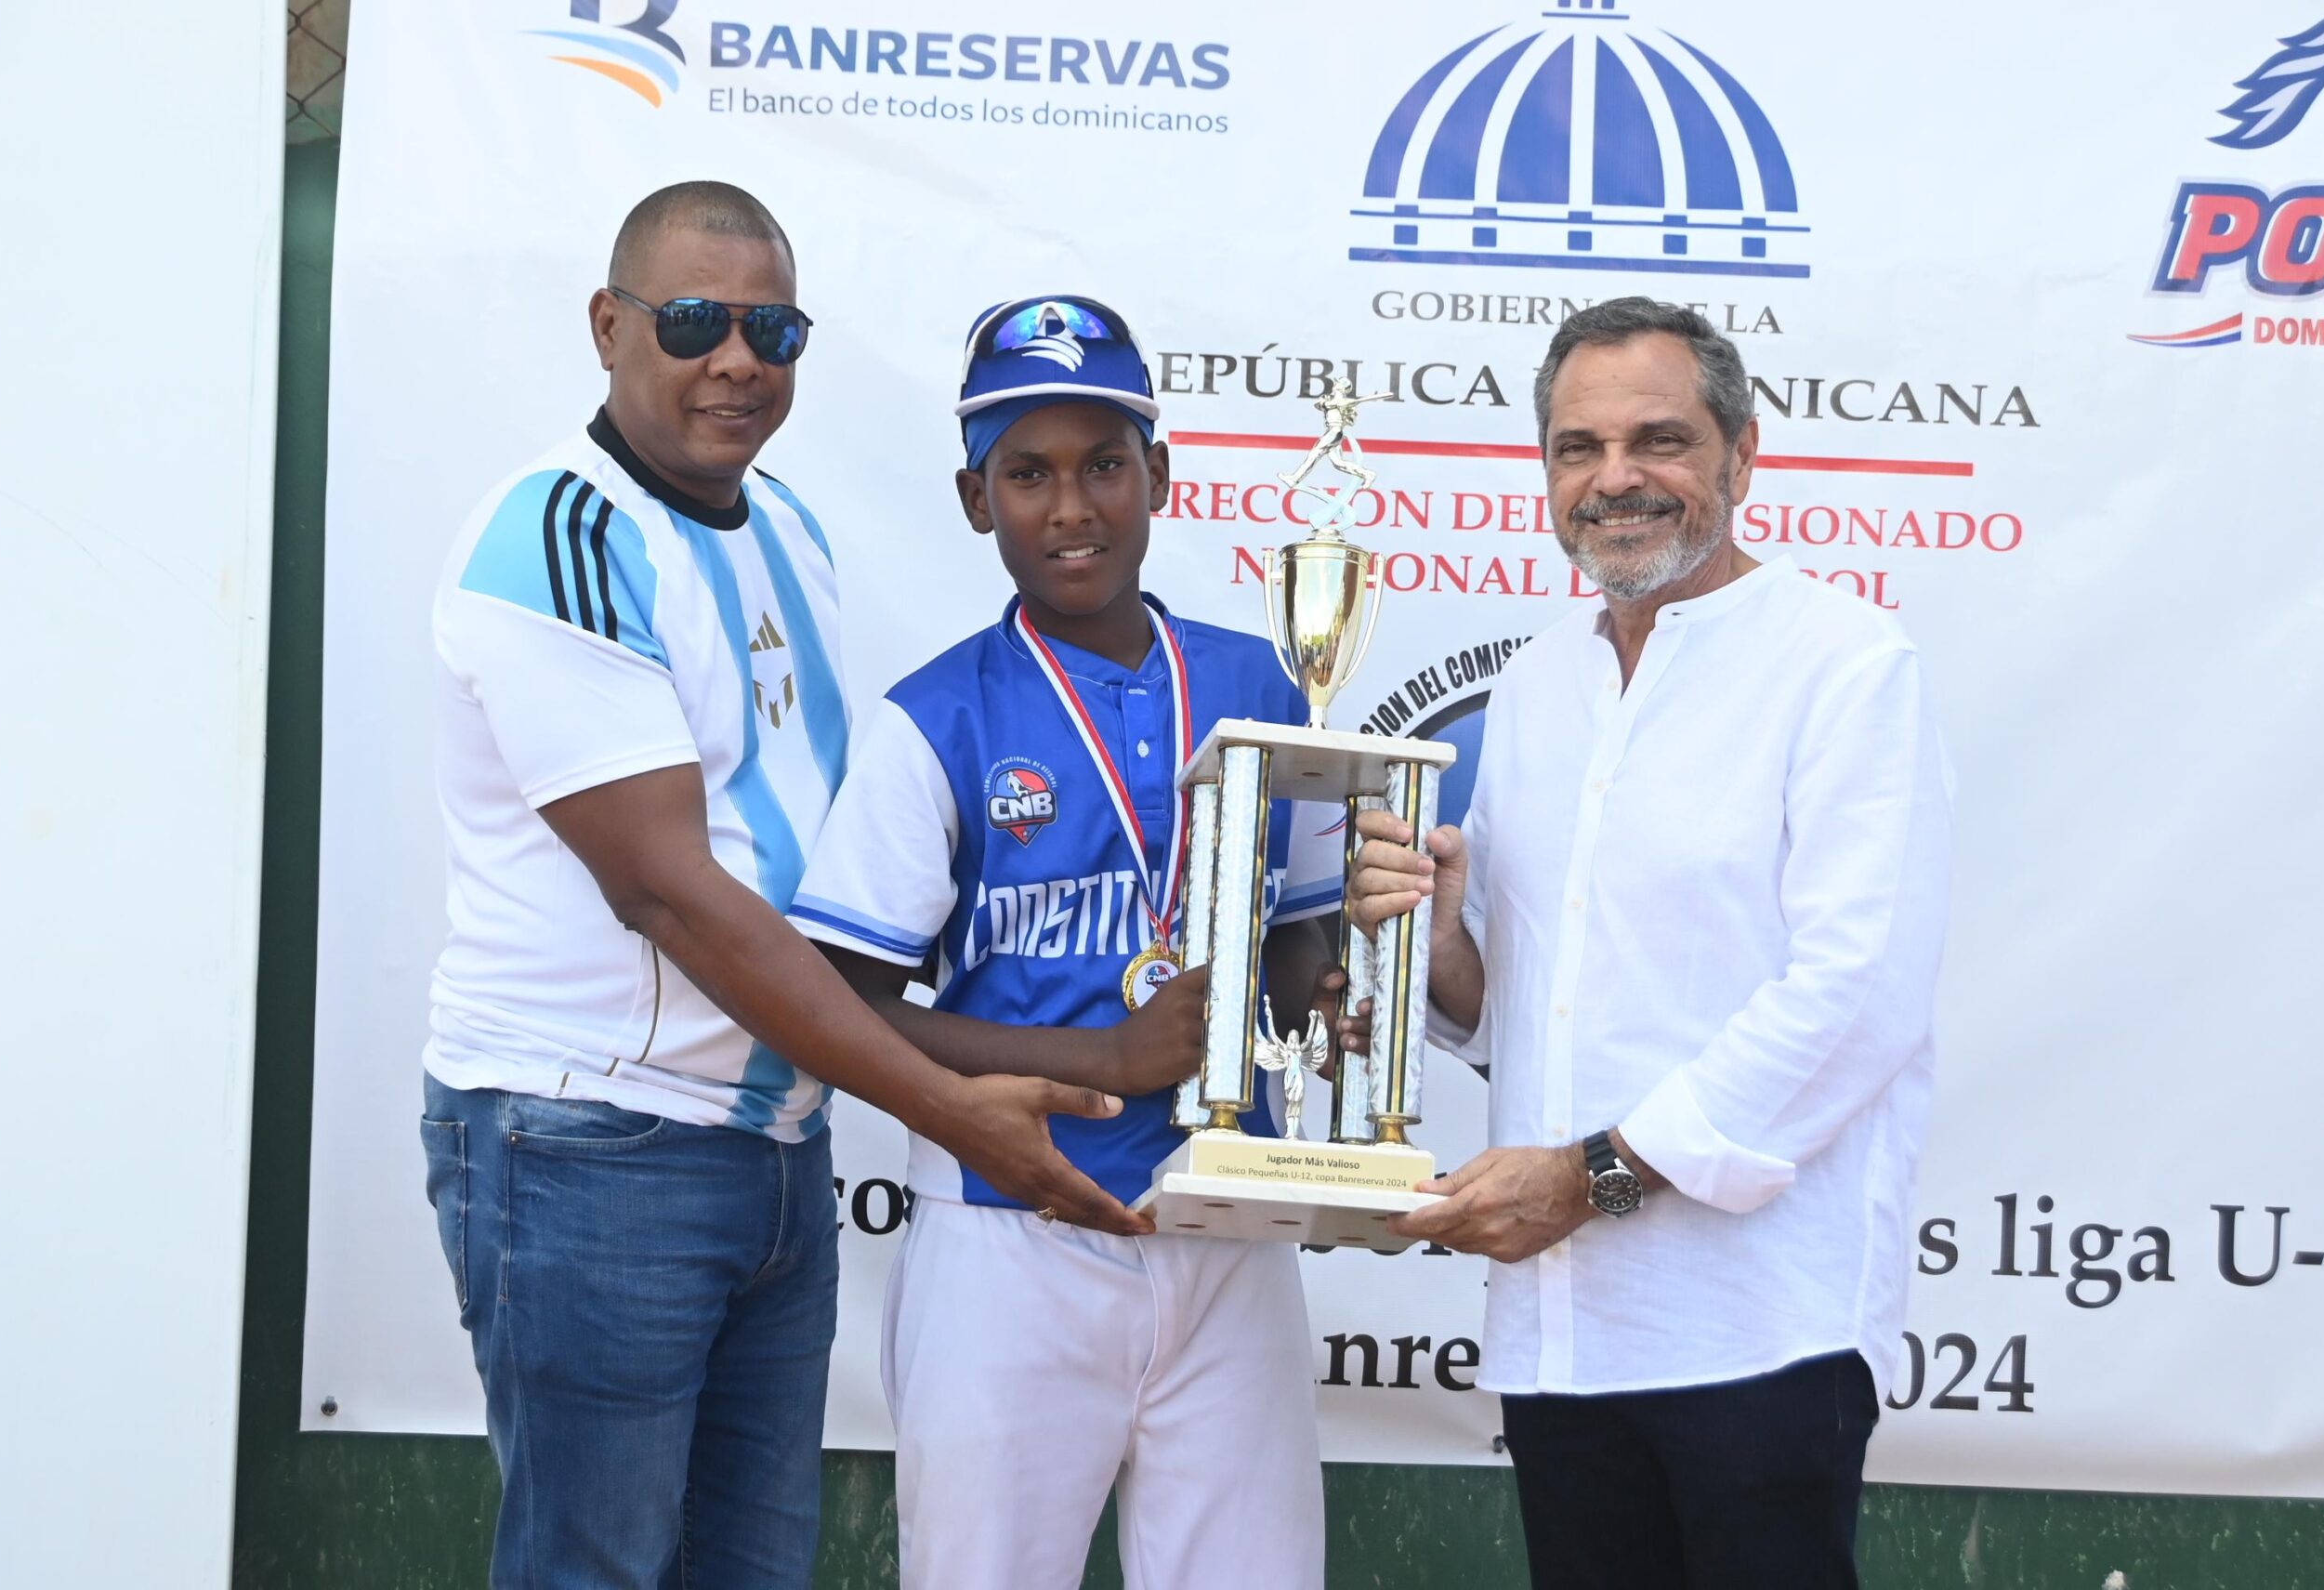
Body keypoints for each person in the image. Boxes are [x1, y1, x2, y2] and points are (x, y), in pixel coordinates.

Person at [417, 185, 1144, 1590]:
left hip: (768, 1146)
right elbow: (674, 898)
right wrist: (951, 1108)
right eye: (693, 322)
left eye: (773, 328)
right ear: (609, 326)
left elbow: (814, 852)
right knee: (599, 1569)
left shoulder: (785, 526)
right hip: (591, 1146)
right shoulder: (558, 540)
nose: (737, 359)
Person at [1346, 297, 1953, 1589]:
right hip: (1564, 1336)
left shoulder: (1845, 668)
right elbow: (1521, 1005)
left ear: (1741, 453)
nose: (1615, 479)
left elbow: (1853, 1005)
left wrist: (1592, 1179)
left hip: (1757, 1335)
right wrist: (1436, 934)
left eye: (1658, 440)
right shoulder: (1538, 683)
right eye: (1578, 447)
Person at [789, 294, 1339, 1590]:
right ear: (977, 498)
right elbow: (834, 1000)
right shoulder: (935, 719)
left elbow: (1302, 952)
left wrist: (1338, 1006)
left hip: (1224, 1224)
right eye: (1028, 474)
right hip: (1010, 1231)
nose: (1072, 507)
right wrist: (1103, 1052)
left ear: (1159, 475)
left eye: (1104, 464)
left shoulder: (1263, 683)